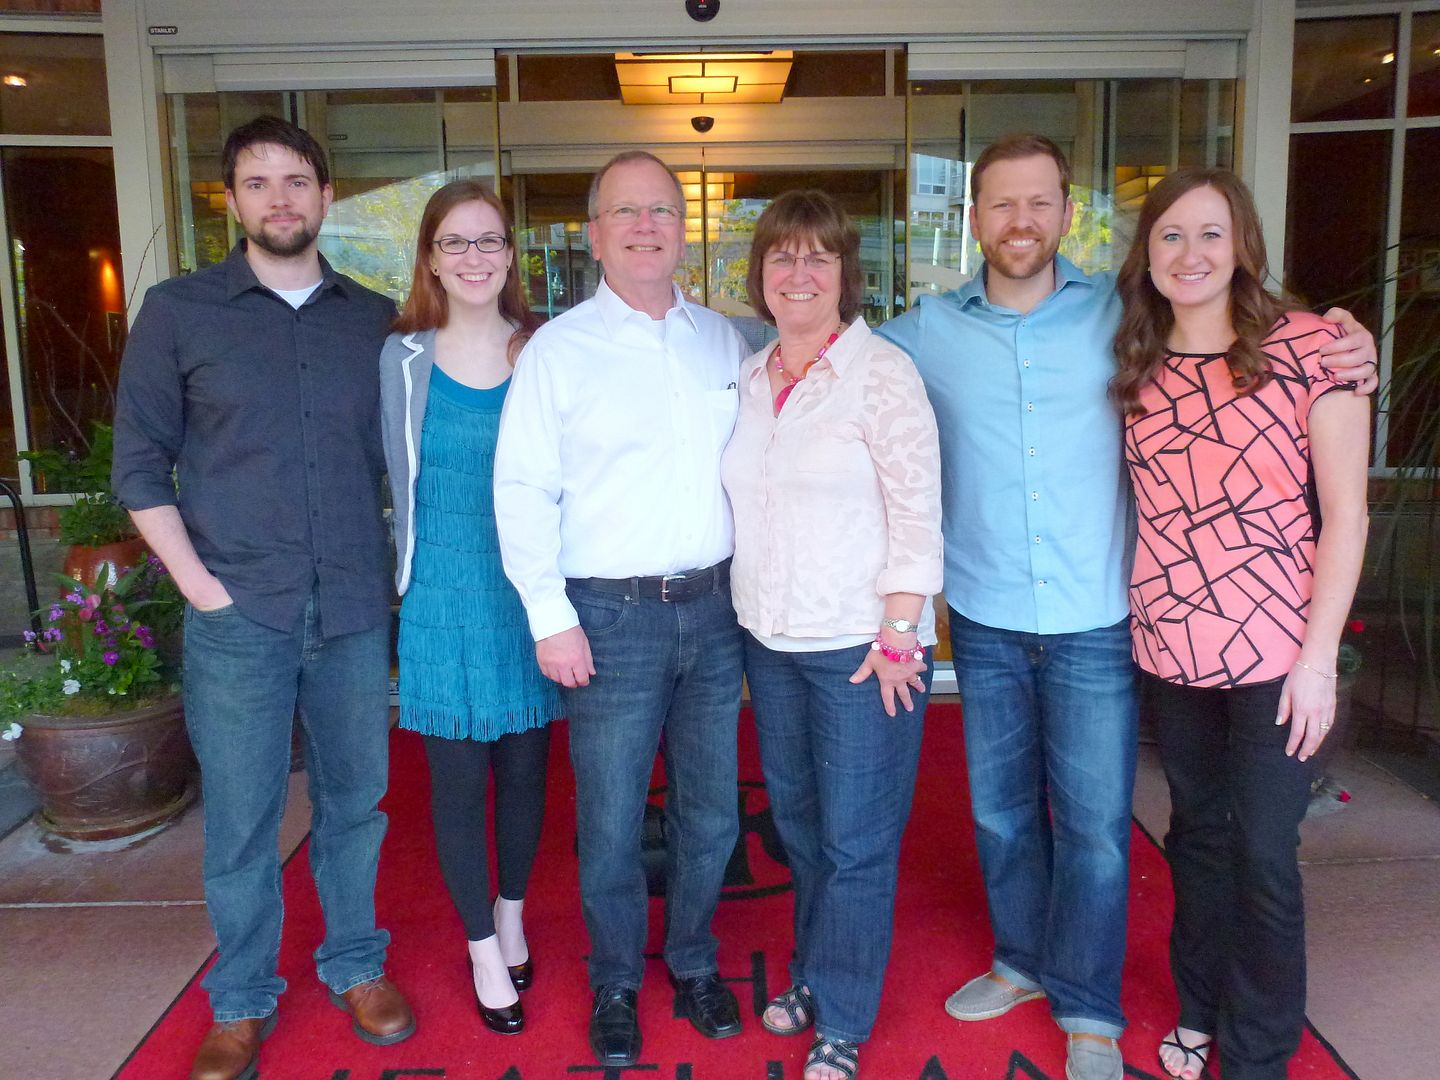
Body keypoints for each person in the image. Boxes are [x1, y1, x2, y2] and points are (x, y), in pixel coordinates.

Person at [875, 133, 1377, 1080]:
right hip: (986, 612)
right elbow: (834, 361)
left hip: (1101, 617)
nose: (1021, 220)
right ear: (972, 218)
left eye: (1039, 201)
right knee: (1003, 816)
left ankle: (1090, 1007)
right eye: (1001, 203)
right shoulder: (926, 331)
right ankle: (1022, 961)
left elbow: (1278, 356)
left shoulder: (1127, 311)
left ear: (1069, 213)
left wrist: (1353, 344)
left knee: (1099, 828)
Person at [111, 115, 414, 1080]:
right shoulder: (179, 312)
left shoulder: (374, 320)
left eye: (296, 180)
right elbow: (138, 465)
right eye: (257, 182)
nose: (279, 198)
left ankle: (356, 963)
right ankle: (241, 998)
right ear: (232, 200)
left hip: (353, 608)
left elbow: (406, 459)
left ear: (326, 195)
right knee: (241, 816)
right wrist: (202, 590)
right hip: (238, 613)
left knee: (356, 803)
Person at [493, 150, 750, 1068]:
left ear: (685, 230)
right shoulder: (558, 351)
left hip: (715, 611)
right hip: (608, 619)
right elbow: (521, 488)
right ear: (595, 235)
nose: (647, 227)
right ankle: (613, 981)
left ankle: (693, 961)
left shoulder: (724, 341)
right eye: (627, 212)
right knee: (609, 820)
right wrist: (549, 617)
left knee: (711, 812)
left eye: (663, 211)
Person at [1113, 168, 1368, 1080]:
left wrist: (1319, 660)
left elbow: (1347, 516)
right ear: (1148, 253)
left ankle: (1259, 1049)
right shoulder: (1135, 356)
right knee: (1197, 836)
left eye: (1211, 233)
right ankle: (1199, 1006)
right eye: (1171, 235)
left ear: (1243, 245)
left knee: (1264, 851)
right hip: (1170, 646)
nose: (1191, 253)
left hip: (1278, 654)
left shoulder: (1312, 348)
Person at [721, 190, 942, 1080]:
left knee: (856, 843)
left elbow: (918, 513)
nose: (799, 272)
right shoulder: (749, 375)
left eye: (819, 256)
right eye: (783, 256)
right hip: (771, 641)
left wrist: (901, 634)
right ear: (760, 274)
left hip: (863, 648)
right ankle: (815, 971)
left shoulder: (881, 373)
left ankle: (843, 1017)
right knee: (803, 829)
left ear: (846, 273)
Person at [379, 179, 562, 1036]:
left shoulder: (546, 351)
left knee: (526, 775)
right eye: (455, 242)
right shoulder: (400, 359)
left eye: (489, 240)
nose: (474, 257)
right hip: (442, 597)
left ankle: (511, 913)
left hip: (528, 595)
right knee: (456, 789)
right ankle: (482, 948)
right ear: (430, 258)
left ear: (511, 255)